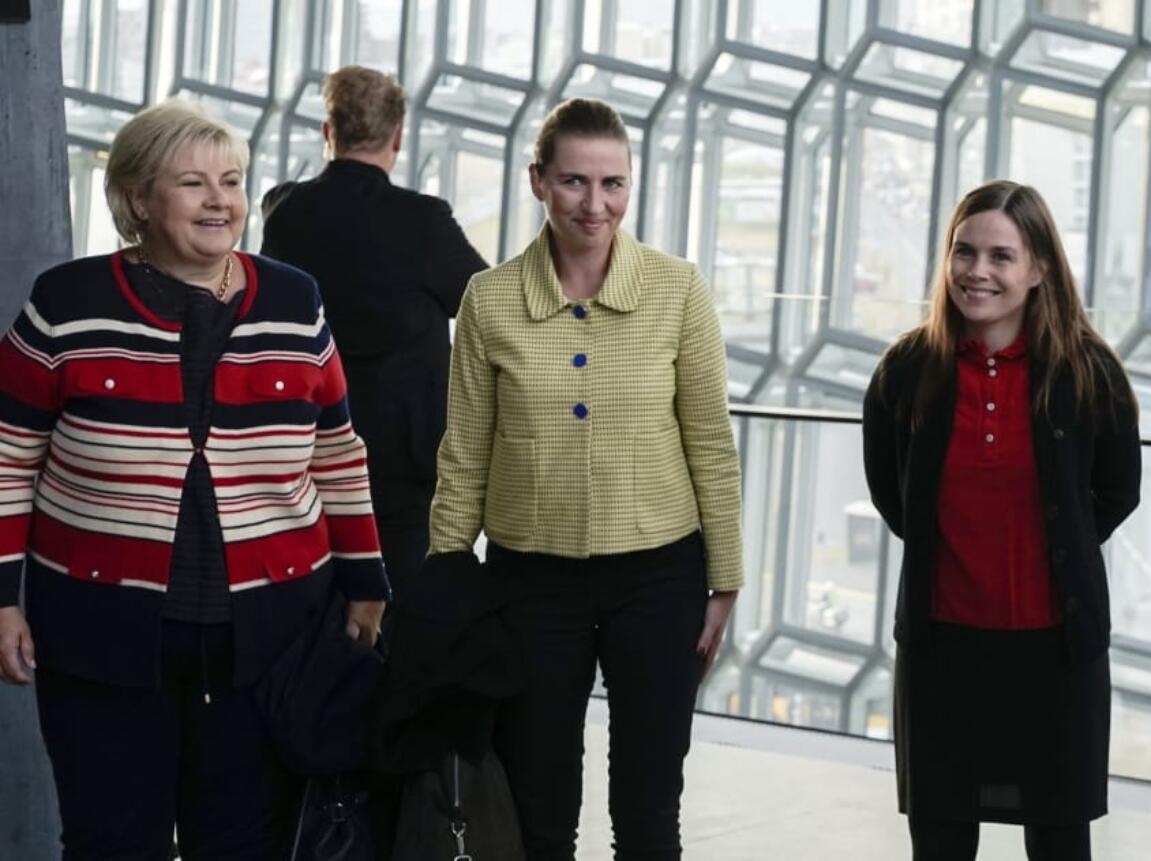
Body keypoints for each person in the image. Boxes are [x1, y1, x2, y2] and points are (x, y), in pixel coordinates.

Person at [0, 100, 389, 859]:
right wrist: (0, 597)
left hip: (271, 638)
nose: (221, 201)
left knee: (244, 843)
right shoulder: (65, 302)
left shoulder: (294, 298)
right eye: (193, 183)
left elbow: (338, 451)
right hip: (99, 632)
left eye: (233, 181)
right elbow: (8, 455)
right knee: (113, 839)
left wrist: (366, 579)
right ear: (139, 198)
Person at [428, 97, 743, 860]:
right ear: (538, 180)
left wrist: (724, 579)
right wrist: (445, 579)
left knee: (647, 809)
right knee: (538, 809)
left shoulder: (677, 290)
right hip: (528, 585)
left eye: (613, 183)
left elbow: (710, 440)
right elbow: (465, 450)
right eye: (574, 181)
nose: (595, 204)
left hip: (660, 579)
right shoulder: (490, 299)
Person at [862, 180, 1142, 861]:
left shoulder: (1087, 372)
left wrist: (1060, 545)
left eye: (1000, 256)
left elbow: (1115, 492)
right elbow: (893, 493)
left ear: (1039, 268)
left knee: (1059, 842)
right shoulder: (906, 370)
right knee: (940, 843)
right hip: (943, 654)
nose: (977, 272)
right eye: (964, 251)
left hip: (1056, 655)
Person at [261, 65, 487, 605]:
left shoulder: (285, 211)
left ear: (327, 132)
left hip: (306, 446)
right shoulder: (423, 220)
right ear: (399, 137)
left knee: (317, 604)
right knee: (408, 610)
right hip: (404, 460)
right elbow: (485, 306)